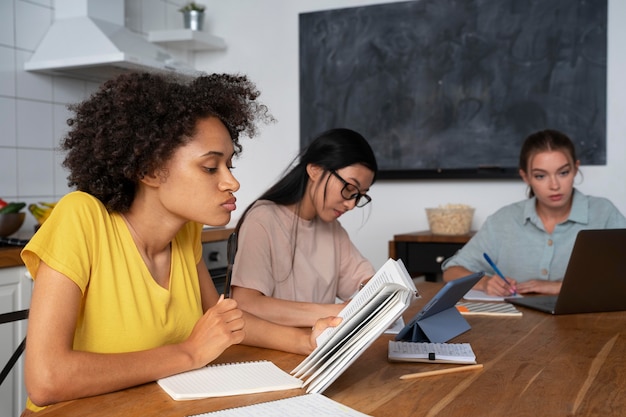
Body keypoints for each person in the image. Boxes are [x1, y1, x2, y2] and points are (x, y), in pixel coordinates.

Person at [20, 72, 340, 413]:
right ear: (150, 170)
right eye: (210, 167)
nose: (232, 182)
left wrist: (308, 340)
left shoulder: (185, 234)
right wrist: (190, 352)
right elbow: (46, 379)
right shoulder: (81, 218)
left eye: (229, 165)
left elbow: (224, 323)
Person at [442, 129, 626, 296]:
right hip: (518, 328)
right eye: (540, 176)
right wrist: (485, 283)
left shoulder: (603, 212)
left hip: (587, 324)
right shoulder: (504, 220)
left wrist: (558, 287)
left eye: (563, 173)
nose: (554, 185)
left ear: (575, 169)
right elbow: (452, 272)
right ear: (526, 177)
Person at [230, 128, 378, 327]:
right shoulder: (263, 219)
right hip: (275, 350)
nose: (351, 204)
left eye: (359, 195)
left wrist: (377, 292)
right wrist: (335, 312)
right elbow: (246, 304)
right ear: (315, 170)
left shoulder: (332, 229)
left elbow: (366, 280)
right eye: (349, 189)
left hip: (318, 346)